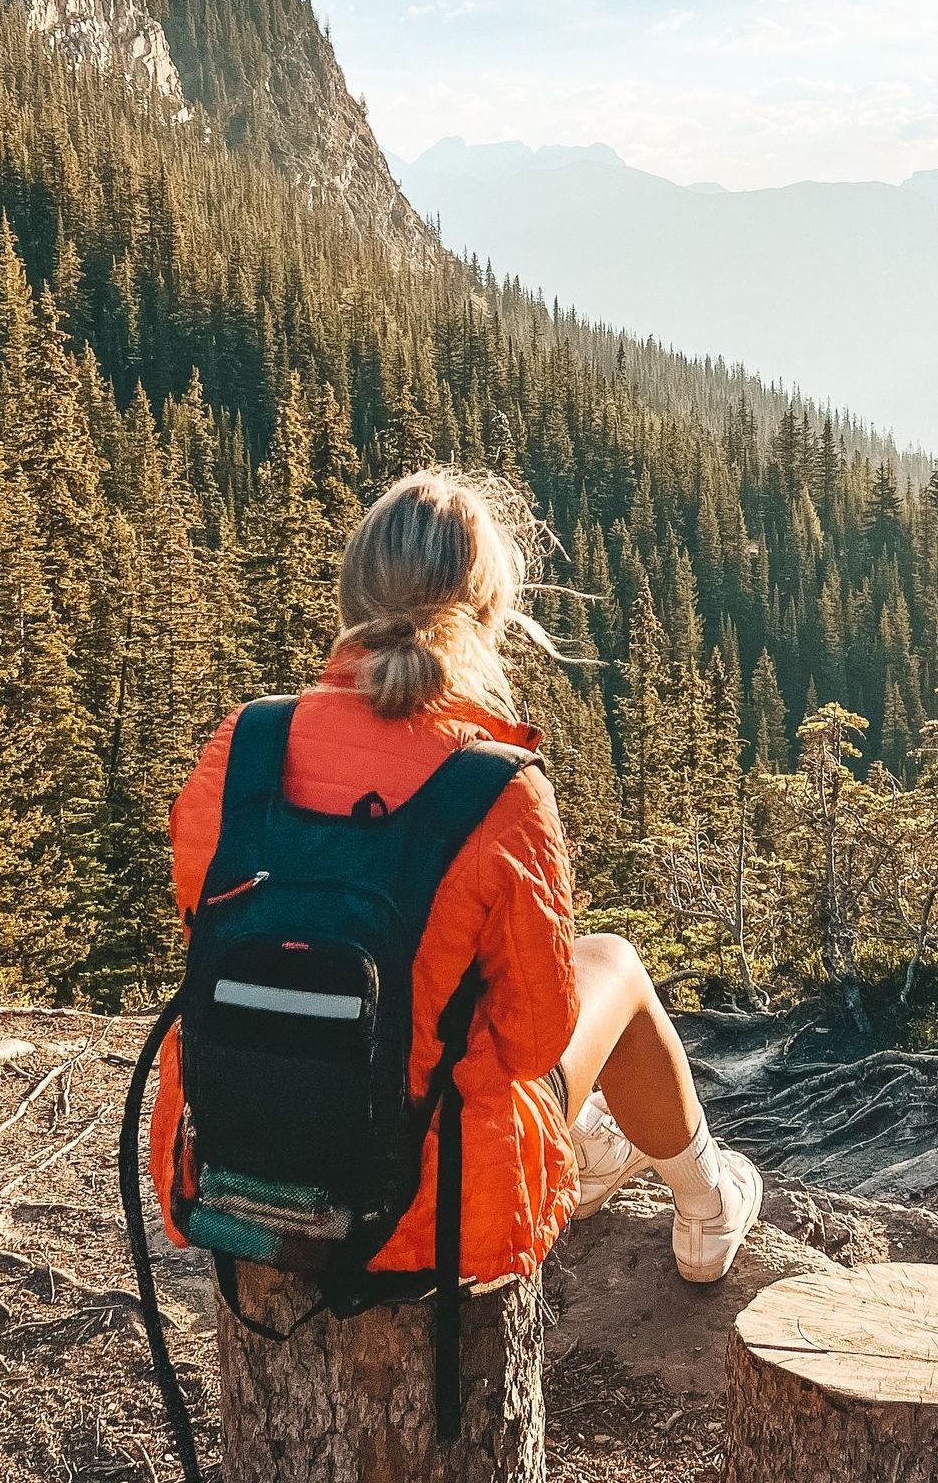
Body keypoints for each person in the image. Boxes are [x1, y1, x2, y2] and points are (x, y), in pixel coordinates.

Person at [149, 466, 762, 1288]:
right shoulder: (496, 788)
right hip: (430, 1210)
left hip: (236, 1172)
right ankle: (706, 1205)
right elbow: (535, 1038)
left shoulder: (244, 746)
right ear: (487, 614)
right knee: (612, 962)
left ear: (352, 597)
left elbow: (203, 922)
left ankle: (600, 1149)